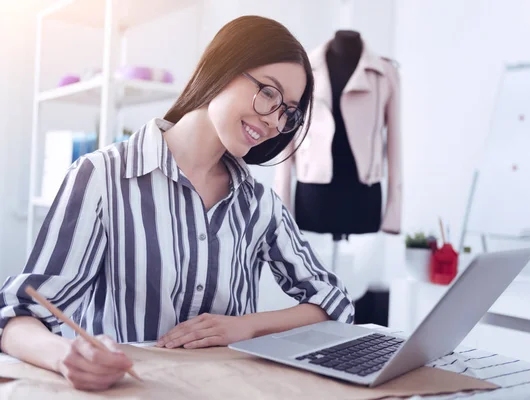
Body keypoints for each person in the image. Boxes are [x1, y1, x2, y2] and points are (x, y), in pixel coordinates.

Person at [0, 15, 354, 391]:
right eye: (268, 92)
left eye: (287, 111)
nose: (272, 120)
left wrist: (246, 325)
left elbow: (333, 304)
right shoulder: (102, 176)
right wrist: (64, 356)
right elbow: (18, 317)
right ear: (223, 66)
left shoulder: (259, 204)